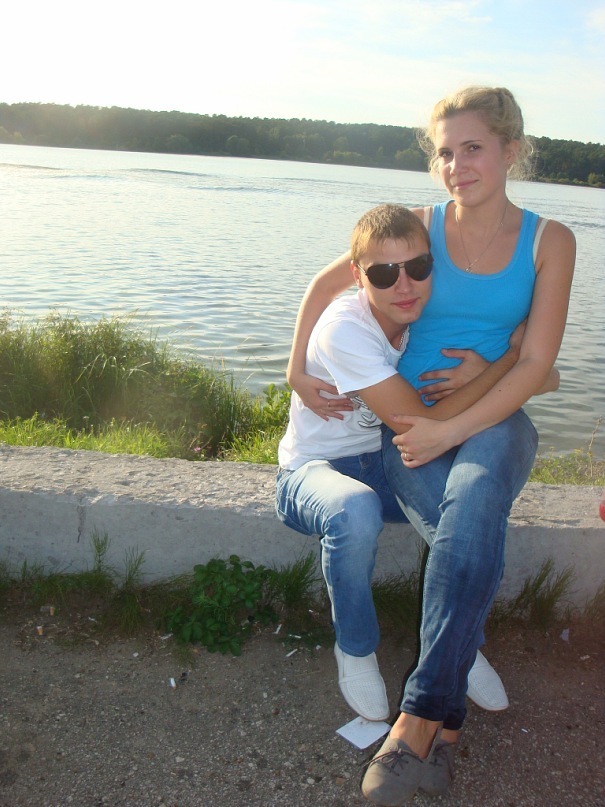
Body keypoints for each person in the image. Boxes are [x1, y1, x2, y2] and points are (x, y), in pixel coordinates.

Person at [286, 86, 575, 804]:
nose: (455, 166)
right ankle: (445, 718)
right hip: (410, 428)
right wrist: (294, 366)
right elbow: (329, 282)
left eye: (472, 148)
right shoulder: (417, 227)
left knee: (475, 492)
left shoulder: (550, 242)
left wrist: (465, 411)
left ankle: (415, 719)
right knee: (467, 519)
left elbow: (539, 363)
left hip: (493, 420)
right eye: (444, 152)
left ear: (510, 150)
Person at [276, 202, 526, 725]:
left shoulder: (420, 318)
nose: (404, 285)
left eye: (418, 267)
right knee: (355, 510)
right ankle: (355, 646)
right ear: (358, 276)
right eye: (385, 274)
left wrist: (504, 365)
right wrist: (509, 363)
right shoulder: (345, 330)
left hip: (381, 462)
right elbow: (418, 422)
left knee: (462, 513)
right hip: (313, 470)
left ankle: (458, 643)